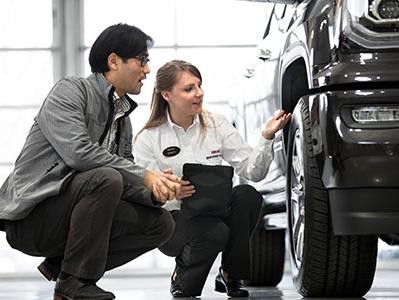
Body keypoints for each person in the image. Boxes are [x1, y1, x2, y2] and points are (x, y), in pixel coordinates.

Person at [0, 24, 182, 300]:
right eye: (142, 61)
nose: (147, 71)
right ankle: (75, 280)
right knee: (106, 177)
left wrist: (155, 192)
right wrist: (146, 175)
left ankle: (66, 272)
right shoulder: (70, 91)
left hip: (74, 215)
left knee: (161, 223)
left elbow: (127, 184)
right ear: (113, 61)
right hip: (32, 219)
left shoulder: (124, 120)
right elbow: (78, 153)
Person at [133, 60, 291, 298]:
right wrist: (167, 189)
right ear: (167, 95)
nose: (199, 93)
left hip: (215, 209)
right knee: (215, 232)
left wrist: (267, 137)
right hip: (173, 219)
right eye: (188, 89)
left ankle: (230, 275)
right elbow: (141, 192)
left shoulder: (217, 125)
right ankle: (181, 277)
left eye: (199, 85)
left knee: (247, 196)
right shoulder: (148, 138)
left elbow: (253, 171)